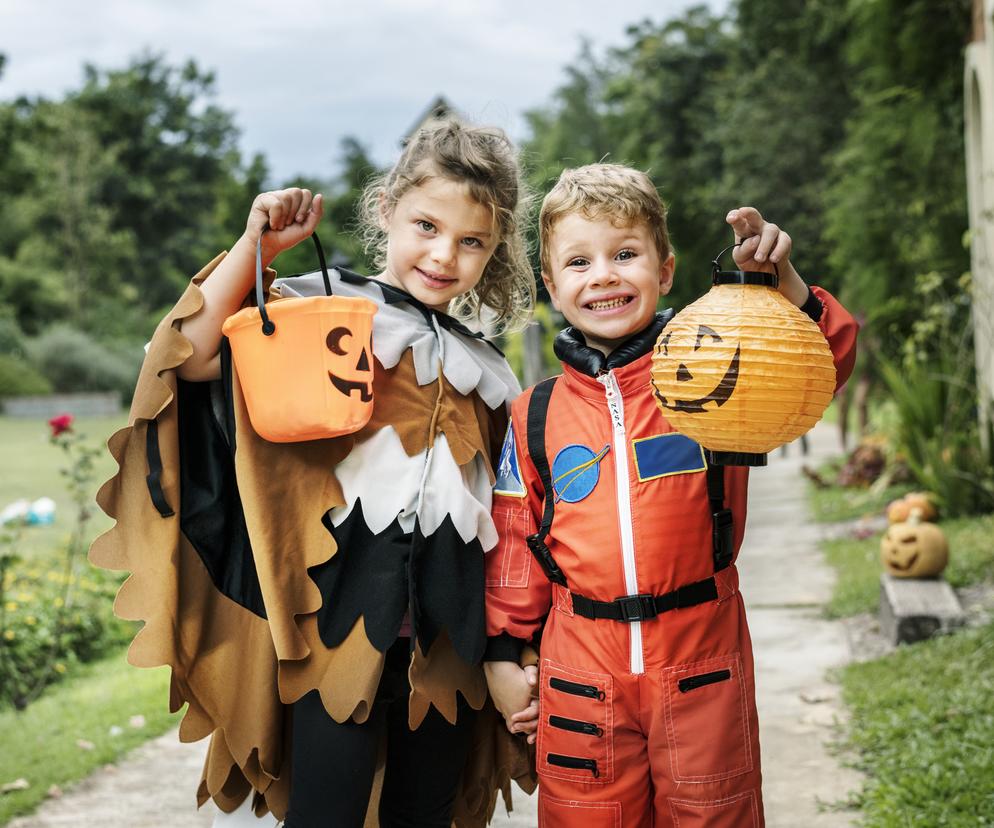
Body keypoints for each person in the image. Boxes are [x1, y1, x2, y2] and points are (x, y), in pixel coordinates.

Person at [90, 120, 536, 827]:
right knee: (326, 812)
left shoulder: (491, 372)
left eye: (472, 240)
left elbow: (513, 518)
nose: (444, 254)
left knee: (428, 814)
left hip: (451, 646)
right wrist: (255, 251)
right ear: (387, 209)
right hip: (335, 631)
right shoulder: (318, 311)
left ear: (495, 250)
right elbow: (191, 359)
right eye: (426, 224)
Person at [482, 163, 858, 827]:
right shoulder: (531, 415)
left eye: (625, 254)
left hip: (701, 660)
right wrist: (502, 657)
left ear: (666, 271)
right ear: (551, 285)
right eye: (579, 261)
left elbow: (824, 358)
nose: (602, 275)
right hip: (580, 671)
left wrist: (781, 283)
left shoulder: (715, 377)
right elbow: (516, 542)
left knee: (714, 814)